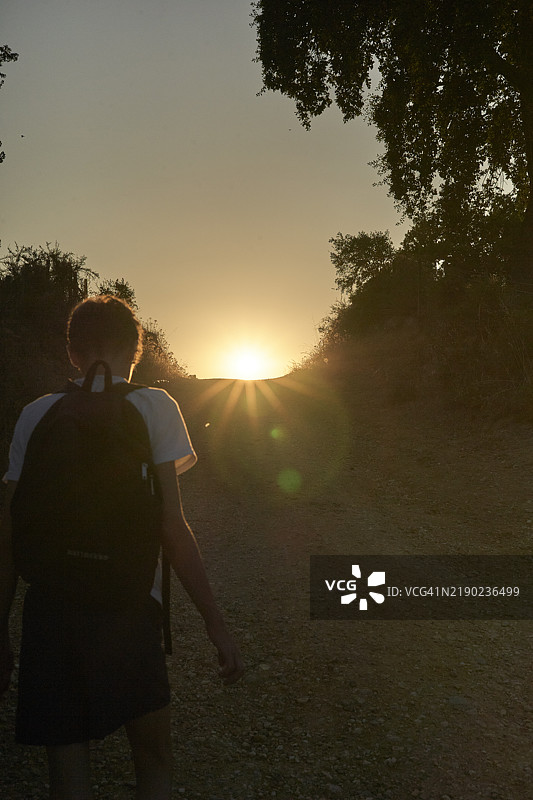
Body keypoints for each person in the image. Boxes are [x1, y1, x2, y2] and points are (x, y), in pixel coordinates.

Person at [0, 295, 244, 800]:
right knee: (152, 760)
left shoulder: (35, 415)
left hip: (51, 613)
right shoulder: (154, 405)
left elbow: (8, 533)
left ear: (72, 352)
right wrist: (216, 626)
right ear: (136, 350)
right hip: (129, 607)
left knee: (67, 773)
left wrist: (0, 628)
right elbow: (172, 528)